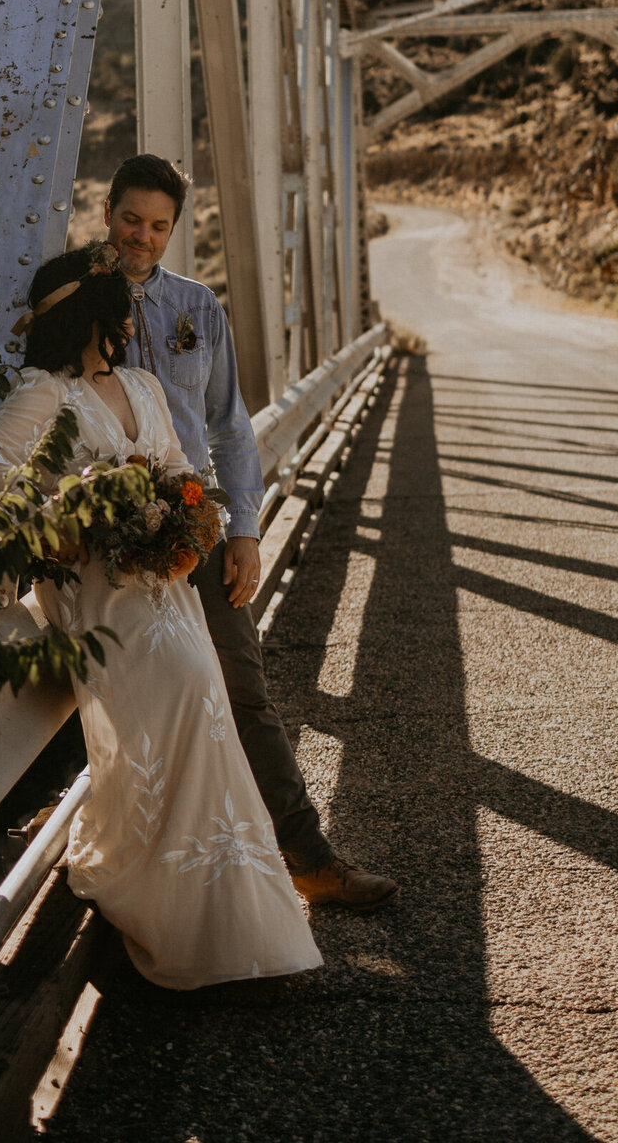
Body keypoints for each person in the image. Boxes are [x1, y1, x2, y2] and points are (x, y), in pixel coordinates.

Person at [0, 242, 322, 990]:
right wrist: (63, 524)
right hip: (99, 600)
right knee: (190, 698)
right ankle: (173, 901)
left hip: (167, 591)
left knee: (203, 702)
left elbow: (185, 473)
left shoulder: (141, 385)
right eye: (118, 308)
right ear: (96, 312)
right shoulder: (47, 393)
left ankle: (233, 917)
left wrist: (189, 519)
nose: (130, 318)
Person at [104, 154, 397, 911]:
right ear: (109, 214)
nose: (143, 235)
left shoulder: (198, 307)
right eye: (131, 219)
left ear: (173, 230)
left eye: (158, 225)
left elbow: (232, 426)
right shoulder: (73, 298)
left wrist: (243, 530)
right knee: (126, 702)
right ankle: (152, 882)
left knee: (244, 692)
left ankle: (306, 857)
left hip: (196, 531)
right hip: (102, 540)